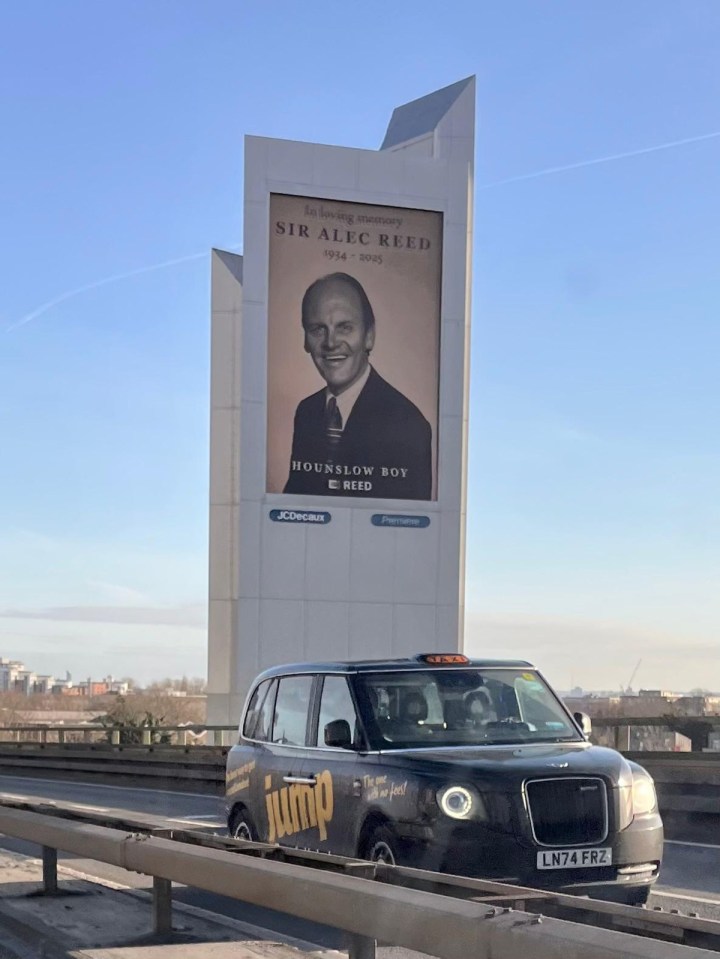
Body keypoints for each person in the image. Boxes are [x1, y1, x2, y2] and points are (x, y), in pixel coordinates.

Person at [283, 272, 433, 500]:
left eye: (344, 328)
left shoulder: (408, 424)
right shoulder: (307, 412)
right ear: (305, 340)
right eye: (318, 329)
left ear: (369, 336)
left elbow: (406, 526)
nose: (330, 343)